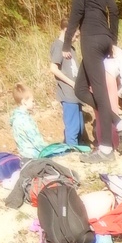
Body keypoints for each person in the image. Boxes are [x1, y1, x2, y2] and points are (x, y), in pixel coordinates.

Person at [58, 0, 119, 161]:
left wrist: (67, 41)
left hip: (91, 36)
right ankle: (118, 122)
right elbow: (114, 9)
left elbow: (78, 6)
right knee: (80, 89)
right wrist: (112, 40)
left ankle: (106, 150)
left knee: (99, 92)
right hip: (103, 36)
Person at [49, 18, 84, 147]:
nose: (77, 39)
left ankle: (79, 148)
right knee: (73, 128)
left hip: (76, 94)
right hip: (68, 94)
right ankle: (72, 151)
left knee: (80, 127)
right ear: (66, 30)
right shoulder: (58, 46)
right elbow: (53, 68)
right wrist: (71, 83)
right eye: (76, 35)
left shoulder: (70, 48)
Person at [9, 85, 48, 158]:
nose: (34, 103)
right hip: (33, 155)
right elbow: (36, 141)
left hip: (24, 154)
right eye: (32, 101)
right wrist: (49, 150)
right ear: (24, 102)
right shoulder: (25, 120)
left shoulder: (15, 117)